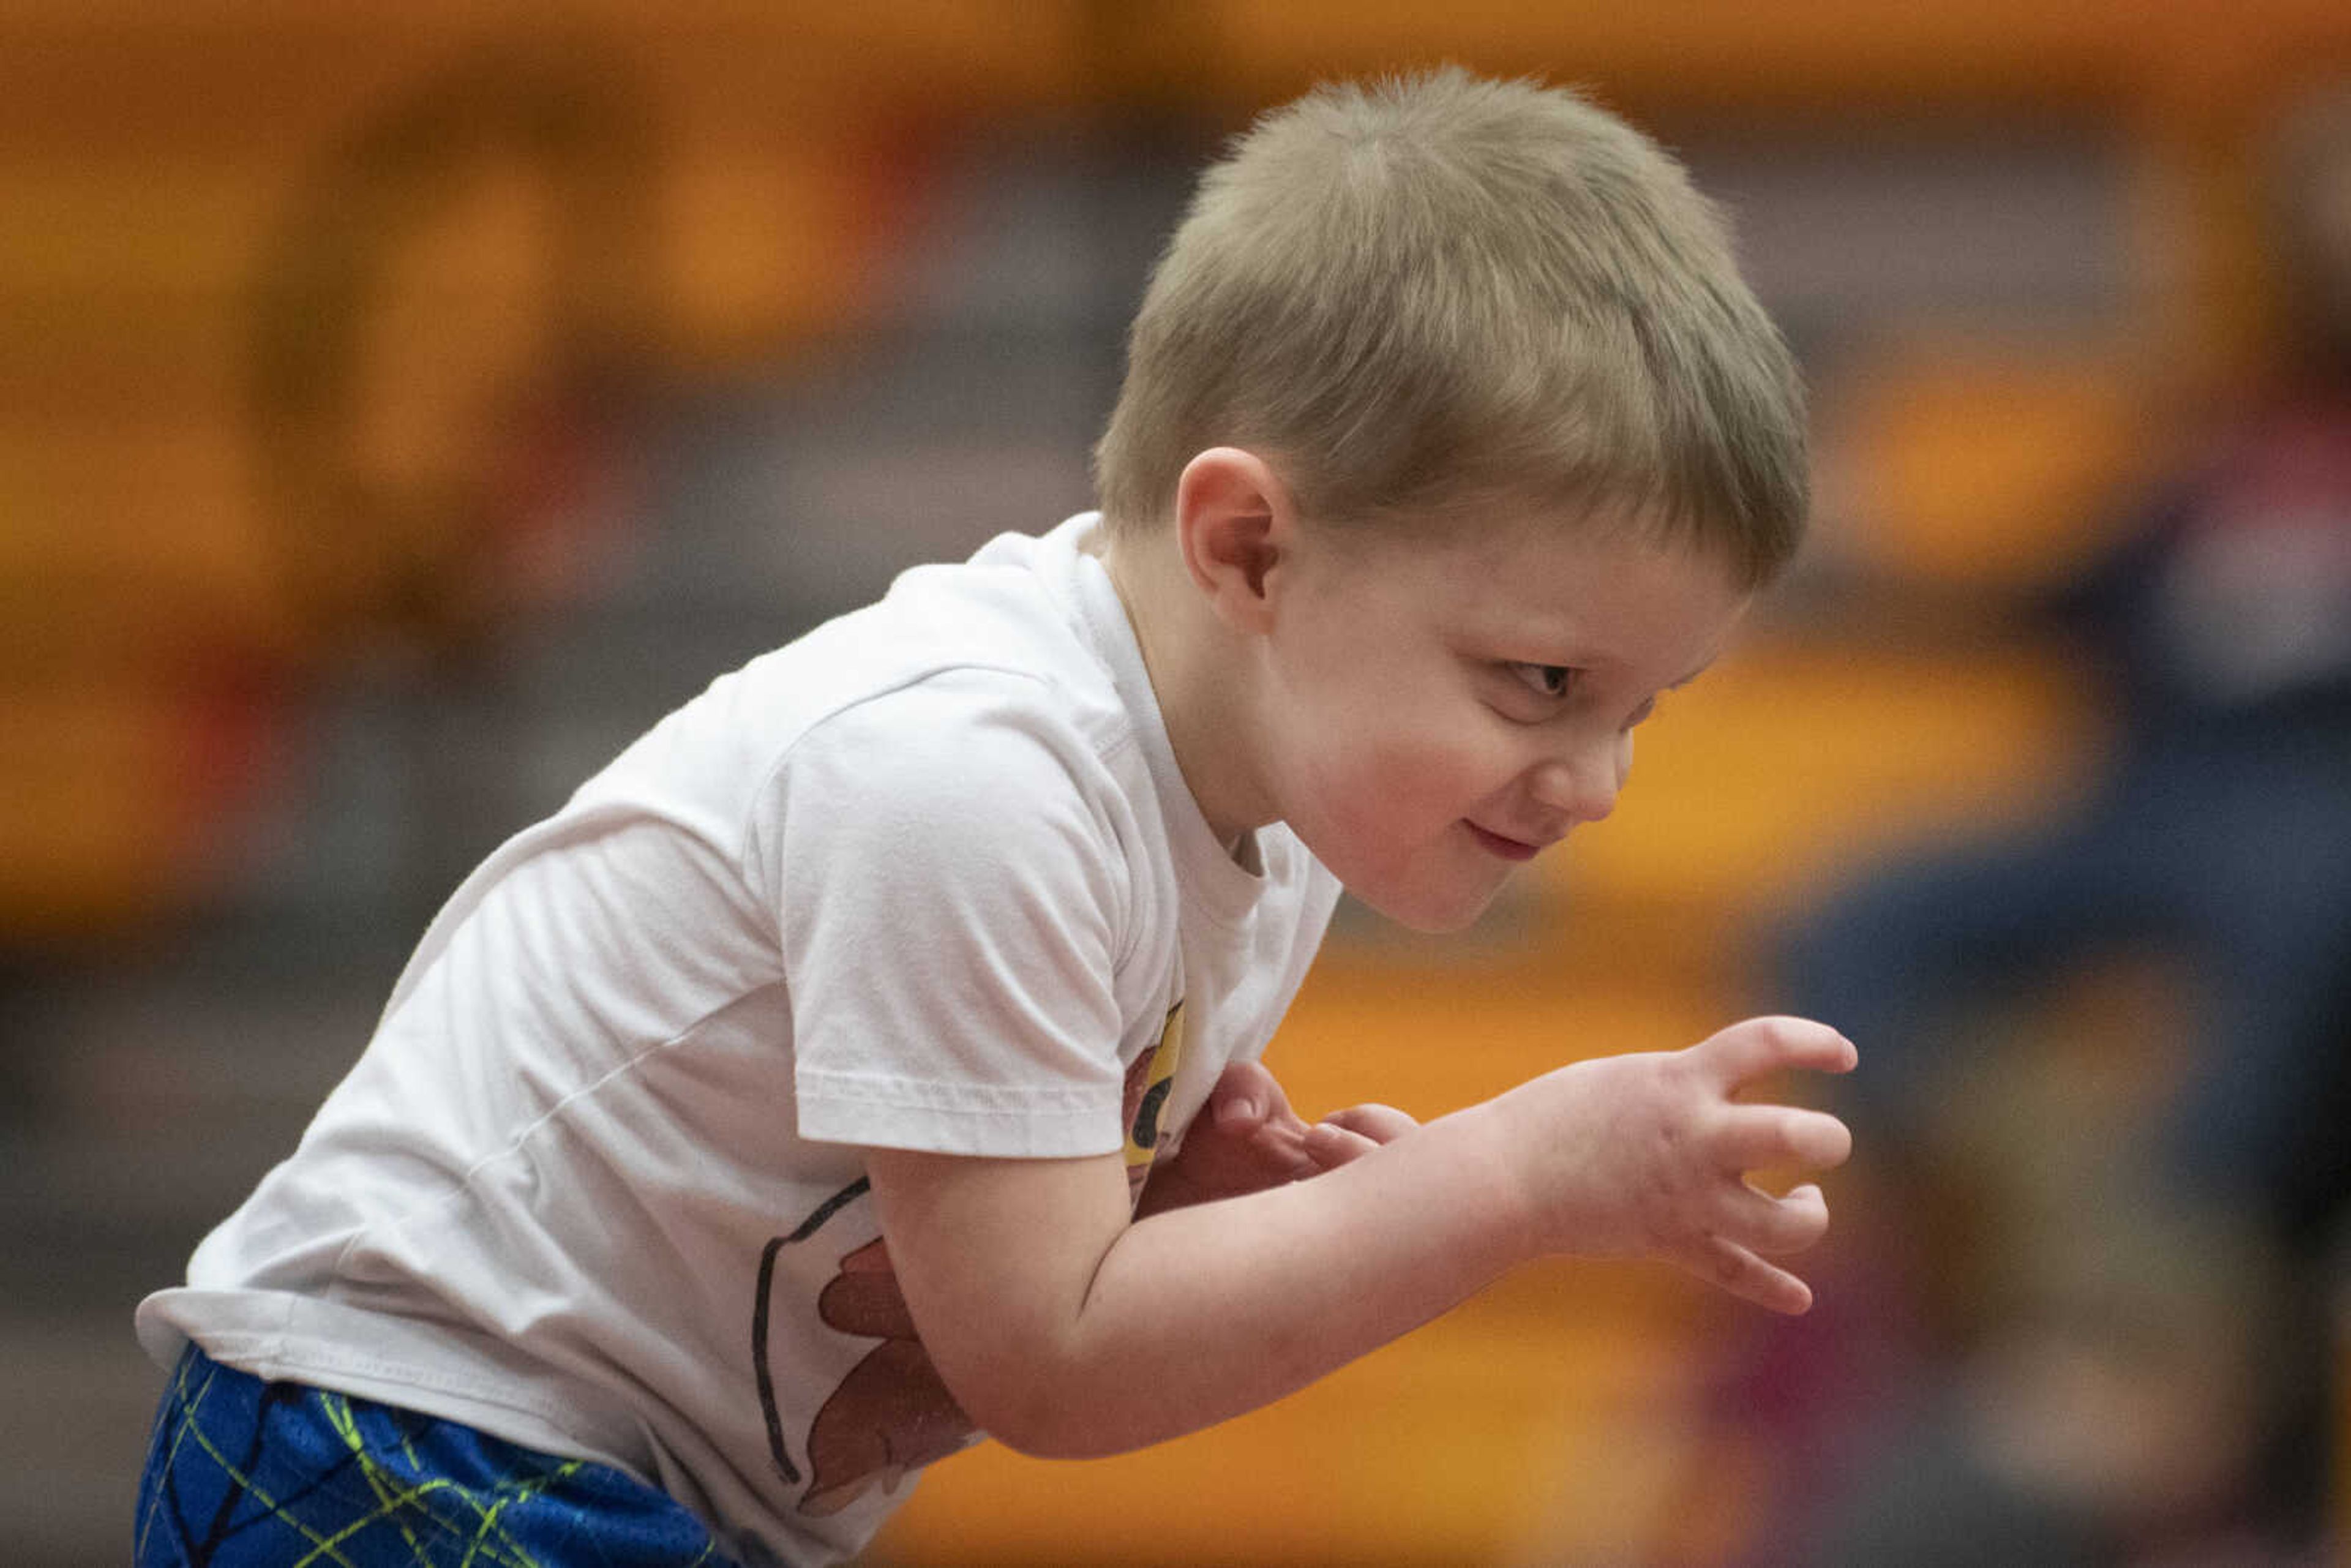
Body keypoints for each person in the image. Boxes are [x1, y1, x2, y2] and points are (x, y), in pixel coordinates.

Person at [131, 68, 1854, 1568]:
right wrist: (1522, 1172)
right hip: (402, 1447)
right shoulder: (976, 776)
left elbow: (1038, 1306)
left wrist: (1170, 1213)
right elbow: (1058, 1361)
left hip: (585, 1480)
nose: (1598, 779)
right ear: (1250, 548)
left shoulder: (1277, 800)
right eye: (1542, 682)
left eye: (1645, 704)